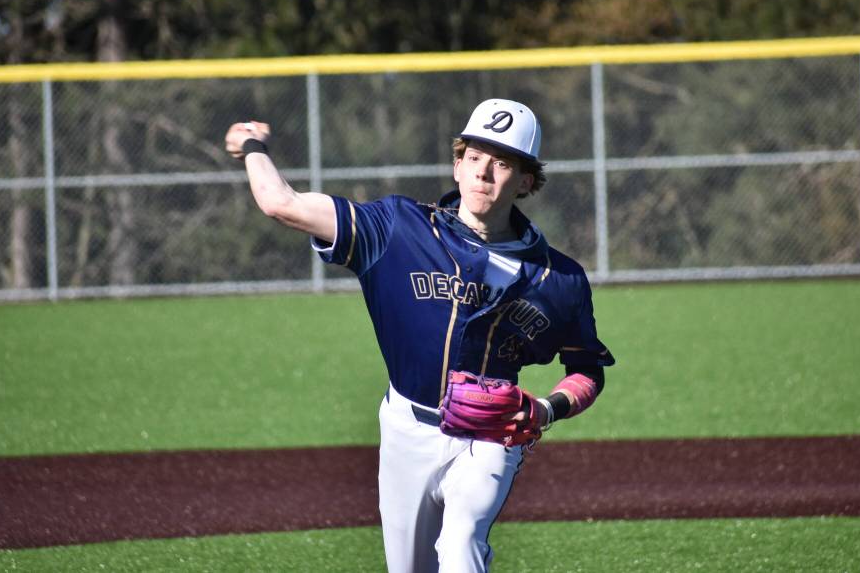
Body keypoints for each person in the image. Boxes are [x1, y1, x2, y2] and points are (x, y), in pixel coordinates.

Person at [225, 98, 614, 573]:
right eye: (474, 156)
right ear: (457, 166)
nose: (483, 172)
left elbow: (586, 370)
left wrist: (546, 409)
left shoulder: (559, 279)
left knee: (462, 543)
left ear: (526, 181)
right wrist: (253, 147)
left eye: (501, 163)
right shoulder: (398, 230)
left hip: (490, 436)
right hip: (405, 429)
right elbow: (280, 203)